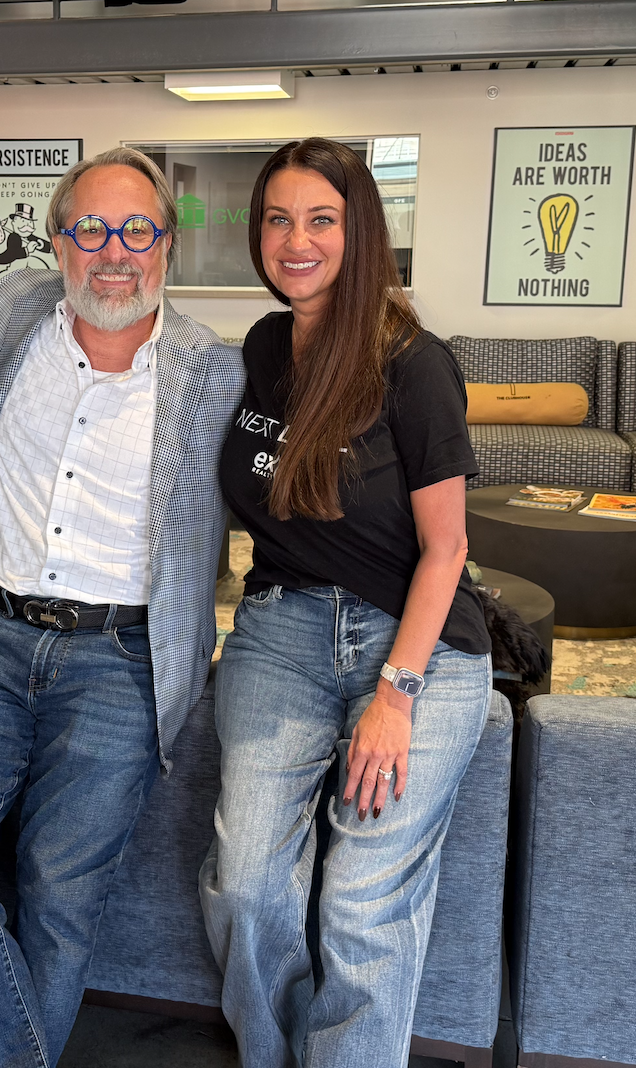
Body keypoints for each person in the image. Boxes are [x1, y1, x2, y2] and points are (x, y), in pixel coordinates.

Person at [0, 147, 246, 1068]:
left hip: (121, 662)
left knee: (60, 898)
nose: (114, 252)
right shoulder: (14, 310)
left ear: (167, 245)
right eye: (91, 228)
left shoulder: (216, 374)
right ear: (57, 240)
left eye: (138, 230)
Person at [198, 138, 494, 1067]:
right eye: (278, 220)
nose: (297, 241)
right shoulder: (264, 346)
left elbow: (448, 548)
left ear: (360, 230)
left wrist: (395, 697)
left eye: (321, 220)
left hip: (416, 644)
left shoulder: (414, 363)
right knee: (246, 887)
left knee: (363, 903)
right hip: (281, 632)